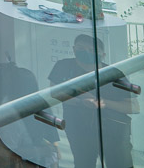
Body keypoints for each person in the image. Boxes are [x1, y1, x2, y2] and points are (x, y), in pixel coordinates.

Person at [49, 34, 136, 167]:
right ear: (74, 49)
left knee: (119, 164)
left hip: (113, 131)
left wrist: (102, 103)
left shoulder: (113, 74)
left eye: (92, 50)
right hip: (79, 129)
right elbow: (55, 93)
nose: (86, 52)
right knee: (83, 163)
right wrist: (80, 101)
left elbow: (134, 107)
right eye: (81, 48)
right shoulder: (64, 66)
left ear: (103, 54)